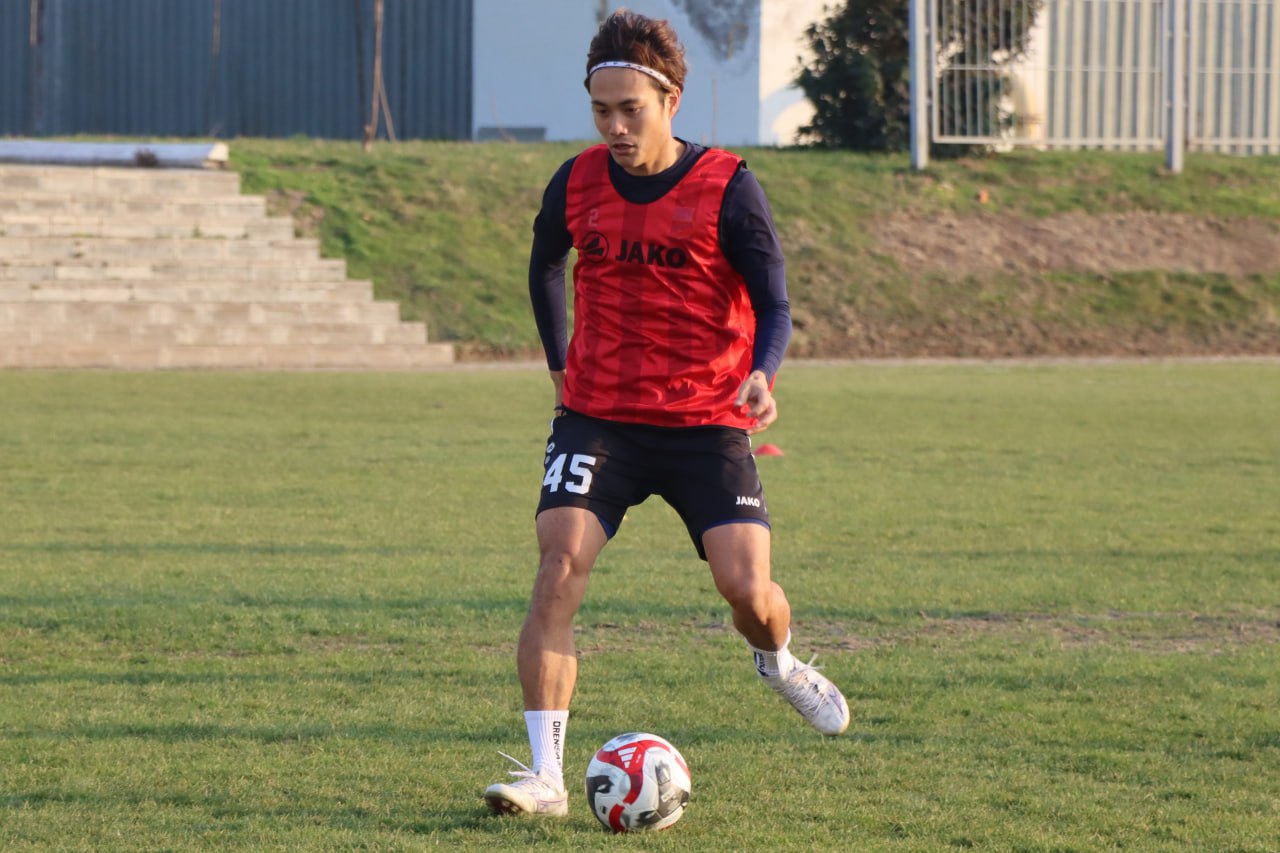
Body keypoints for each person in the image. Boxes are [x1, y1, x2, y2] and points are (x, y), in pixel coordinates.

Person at [484, 8, 849, 819]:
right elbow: (545, 263)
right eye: (600, 111)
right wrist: (558, 366)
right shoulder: (576, 181)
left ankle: (780, 662)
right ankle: (545, 774)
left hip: (703, 418)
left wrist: (763, 374)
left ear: (670, 101)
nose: (614, 128)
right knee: (557, 568)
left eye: (630, 110)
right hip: (599, 415)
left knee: (747, 590)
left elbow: (774, 302)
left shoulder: (728, 186)